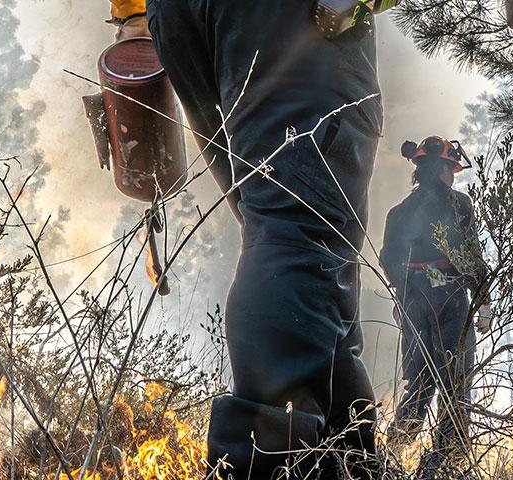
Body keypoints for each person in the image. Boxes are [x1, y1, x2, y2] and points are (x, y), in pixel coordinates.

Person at [108, 0, 385, 476]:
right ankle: (267, 463)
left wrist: (134, 17)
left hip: (177, 17)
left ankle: (348, 460)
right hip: (291, 16)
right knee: (299, 233)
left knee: (290, 236)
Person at [380, 136, 488, 472]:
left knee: (419, 385)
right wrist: (483, 303)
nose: (454, 175)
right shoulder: (460, 204)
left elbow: (388, 260)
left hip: (414, 304)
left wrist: (403, 295)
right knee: (455, 387)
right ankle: (447, 462)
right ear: (442, 167)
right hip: (451, 301)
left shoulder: (398, 213)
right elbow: (471, 257)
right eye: (451, 167)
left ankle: (389, 456)